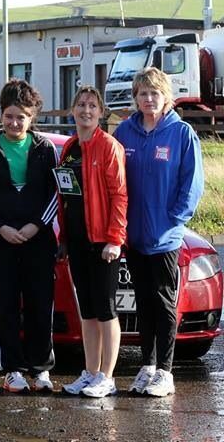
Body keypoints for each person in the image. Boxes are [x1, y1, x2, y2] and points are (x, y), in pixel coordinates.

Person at [114, 67, 203, 397]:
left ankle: (165, 371)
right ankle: (148, 366)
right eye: (143, 93)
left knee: (164, 302)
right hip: (134, 236)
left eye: (155, 93)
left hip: (165, 237)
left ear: (166, 97)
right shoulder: (125, 132)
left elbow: (192, 184)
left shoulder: (181, 134)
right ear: (135, 97)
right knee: (143, 302)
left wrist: (173, 220)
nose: (149, 99)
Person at [0, 79, 59, 393]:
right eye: (8, 116)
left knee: (40, 304)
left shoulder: (45, 149)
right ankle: (12, 370)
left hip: (39, 240)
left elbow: (56, 193)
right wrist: (0, 227)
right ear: (1, 115)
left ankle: (41, 369)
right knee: (6, 306)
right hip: (0, 240)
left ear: (31, 117)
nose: (14, 123)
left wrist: (37, 225)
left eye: (21, 117)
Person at [58, 86, 128, 398]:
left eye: (92, 106)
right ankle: (89, 372)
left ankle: (107, 377)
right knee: (86, 311)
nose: (86, 110)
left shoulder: (109, 147)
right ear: (73, 110)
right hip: (76, 241)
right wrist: (63, 237)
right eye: (81, 105)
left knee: (105, 309)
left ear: (100, 112)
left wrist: (114, 239)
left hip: (103, 243)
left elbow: (119, 196)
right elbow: (65, 195)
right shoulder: (70, 147)